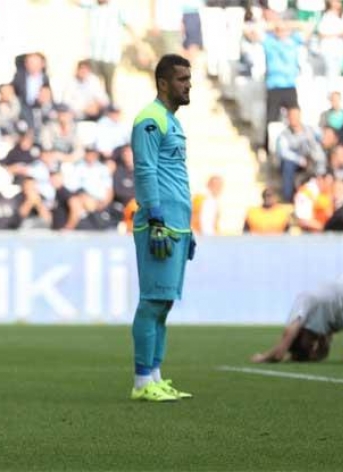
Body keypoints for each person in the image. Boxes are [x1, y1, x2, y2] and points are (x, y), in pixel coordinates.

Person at [128, 54, 195, 402]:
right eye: (182, 78)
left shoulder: (172, 121)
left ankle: (155, 376)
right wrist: (155, 217)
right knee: (152, 302)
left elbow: (176, 176)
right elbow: (145, 169)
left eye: (189, 77)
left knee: (164, 305)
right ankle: (141, 382)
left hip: (177, 225)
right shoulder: (150, 119)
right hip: (160, 223)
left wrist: (188, 228)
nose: (189, 84)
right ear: (163, 83)